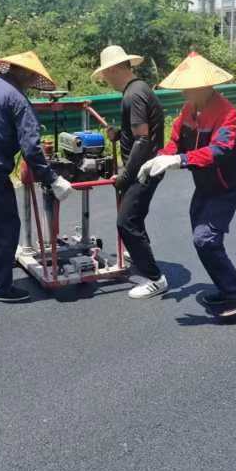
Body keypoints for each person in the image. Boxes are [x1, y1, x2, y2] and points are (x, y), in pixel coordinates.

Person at [0, 51, 72, 303]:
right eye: (32, 77)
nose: (32, 82)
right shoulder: (19, 100)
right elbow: (31, 149)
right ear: (25, 74)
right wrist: (52, 179)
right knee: (6, 229)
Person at [138, 52, 236, 318]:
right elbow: (175, 142)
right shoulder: (189, 109)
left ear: (205, 86)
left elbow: (219, 150)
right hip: (204, 184)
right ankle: (226, 289)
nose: (184, 92)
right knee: (203, 241)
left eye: (189, 87)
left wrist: (180, 160)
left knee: (206, 239)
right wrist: (159, 158)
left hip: (225, 185)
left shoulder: (227, 113)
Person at [91, 45, 167, 299]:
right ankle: (139, 255)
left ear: (114, 69)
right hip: (146, 166)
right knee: (135, 218)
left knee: (126, 222)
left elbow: (143, 139)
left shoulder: (133, 95)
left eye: (106, 74)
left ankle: (155, 279)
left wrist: (125, 176)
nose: (106, 79)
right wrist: (118, 134)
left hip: (144, 170)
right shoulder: (138, 89)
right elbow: (138, 134)